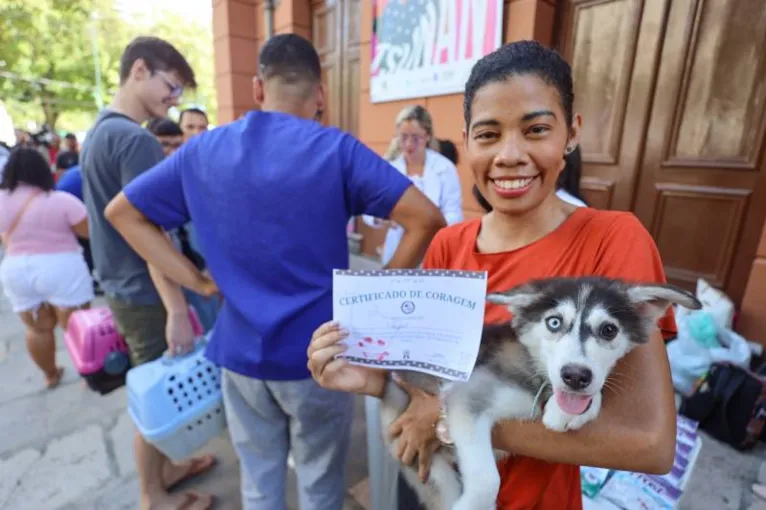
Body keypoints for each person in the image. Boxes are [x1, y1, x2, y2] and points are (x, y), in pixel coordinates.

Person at [307, 40, 678, 510]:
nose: (509, 155)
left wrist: (450, 415)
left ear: (571, 132)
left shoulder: (613, 241)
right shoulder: (450, 245)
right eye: (487, 135)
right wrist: (374, 380)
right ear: (467, 141)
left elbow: (648, 441)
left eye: (536, 129)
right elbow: (427, 384)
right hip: (437, 489)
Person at [103, 33, 446, 510]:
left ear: (258, 88)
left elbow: (122, 213)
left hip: (240, 354)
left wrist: (196, 280)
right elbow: (426, 218)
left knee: (259, 483)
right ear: (320, 95)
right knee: (320, 482)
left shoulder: (203, 150)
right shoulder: (337, 150)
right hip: (321, 356)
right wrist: (374, 302)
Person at [80, 36, 214, 510]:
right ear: (139, 70)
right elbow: (151, 231)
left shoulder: (99, 130)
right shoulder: (134, 139)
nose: (173, 101)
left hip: (121, 285)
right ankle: (152, 495)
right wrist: (177, 307)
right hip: (144, 291)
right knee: (155, 396)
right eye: (171, 86)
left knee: (149, 385)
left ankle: (167, 471)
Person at [0, 148, 93, 388]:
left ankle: (50, 374)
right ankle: (88, 374)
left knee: (37, 329)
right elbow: (88, 232)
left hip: (16, 268)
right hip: (62, 266)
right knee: (76, 324)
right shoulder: (60, 200)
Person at [146, 118, 220, 333]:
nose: (170, 151)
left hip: (201, 275)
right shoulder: (145, 183)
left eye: (176, 145)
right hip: (163, 285)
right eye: (164, 144)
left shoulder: (196, 175)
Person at [364, 105, 463, 266]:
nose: (409, 145)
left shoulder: (445, 169)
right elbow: (368, 209)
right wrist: (382, 218)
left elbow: (454, 213)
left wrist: (429, 226)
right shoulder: (390, 168)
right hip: (397, 251)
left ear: (428, 136)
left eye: (416, 138)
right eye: (403, 137)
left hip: (433, 250)